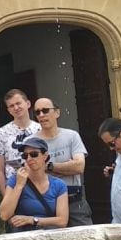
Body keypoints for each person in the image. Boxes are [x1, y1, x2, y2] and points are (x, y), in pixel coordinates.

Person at [27, 97, 93, 227]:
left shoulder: (72, 136)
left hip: (74, 199)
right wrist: (67, 167)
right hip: (47, 200)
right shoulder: (31, 142)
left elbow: (79, 167)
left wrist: (49, 167)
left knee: (87, 239)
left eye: (45, 110)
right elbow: (32, 172)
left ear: (57, 112)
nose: (41, 115)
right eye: (37, 112)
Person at [0, 138, 69, 232]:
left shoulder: (59, 185)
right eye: (25, 156)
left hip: (49, 237)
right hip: (23, 237)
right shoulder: (15, 180)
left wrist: (32, 220)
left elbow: (62, 221)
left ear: (45, 156)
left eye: (34, 154)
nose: (29, 159)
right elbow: (4, 215)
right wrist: (19, 185)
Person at [0, 89, 41, 191]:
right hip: (14, 188)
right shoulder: (1, 133)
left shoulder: (40, 129)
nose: (16, 108)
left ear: (28, 103)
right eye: (11, 106)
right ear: (8, 110)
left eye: (18, 103)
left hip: (40, 185)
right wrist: (6, 196)